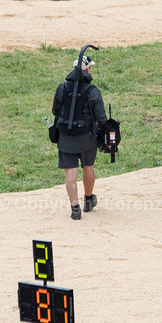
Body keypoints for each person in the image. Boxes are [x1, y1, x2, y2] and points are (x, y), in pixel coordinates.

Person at [52, 51, 107, 219]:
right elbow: (101, 118)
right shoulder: (93, 90)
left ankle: (75, 208)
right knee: (88, 167)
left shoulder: (61, 88)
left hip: (66, 138)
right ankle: (89, 200)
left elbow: (55, 111)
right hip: (87, 138)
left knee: (70, 172)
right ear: (87, 71)